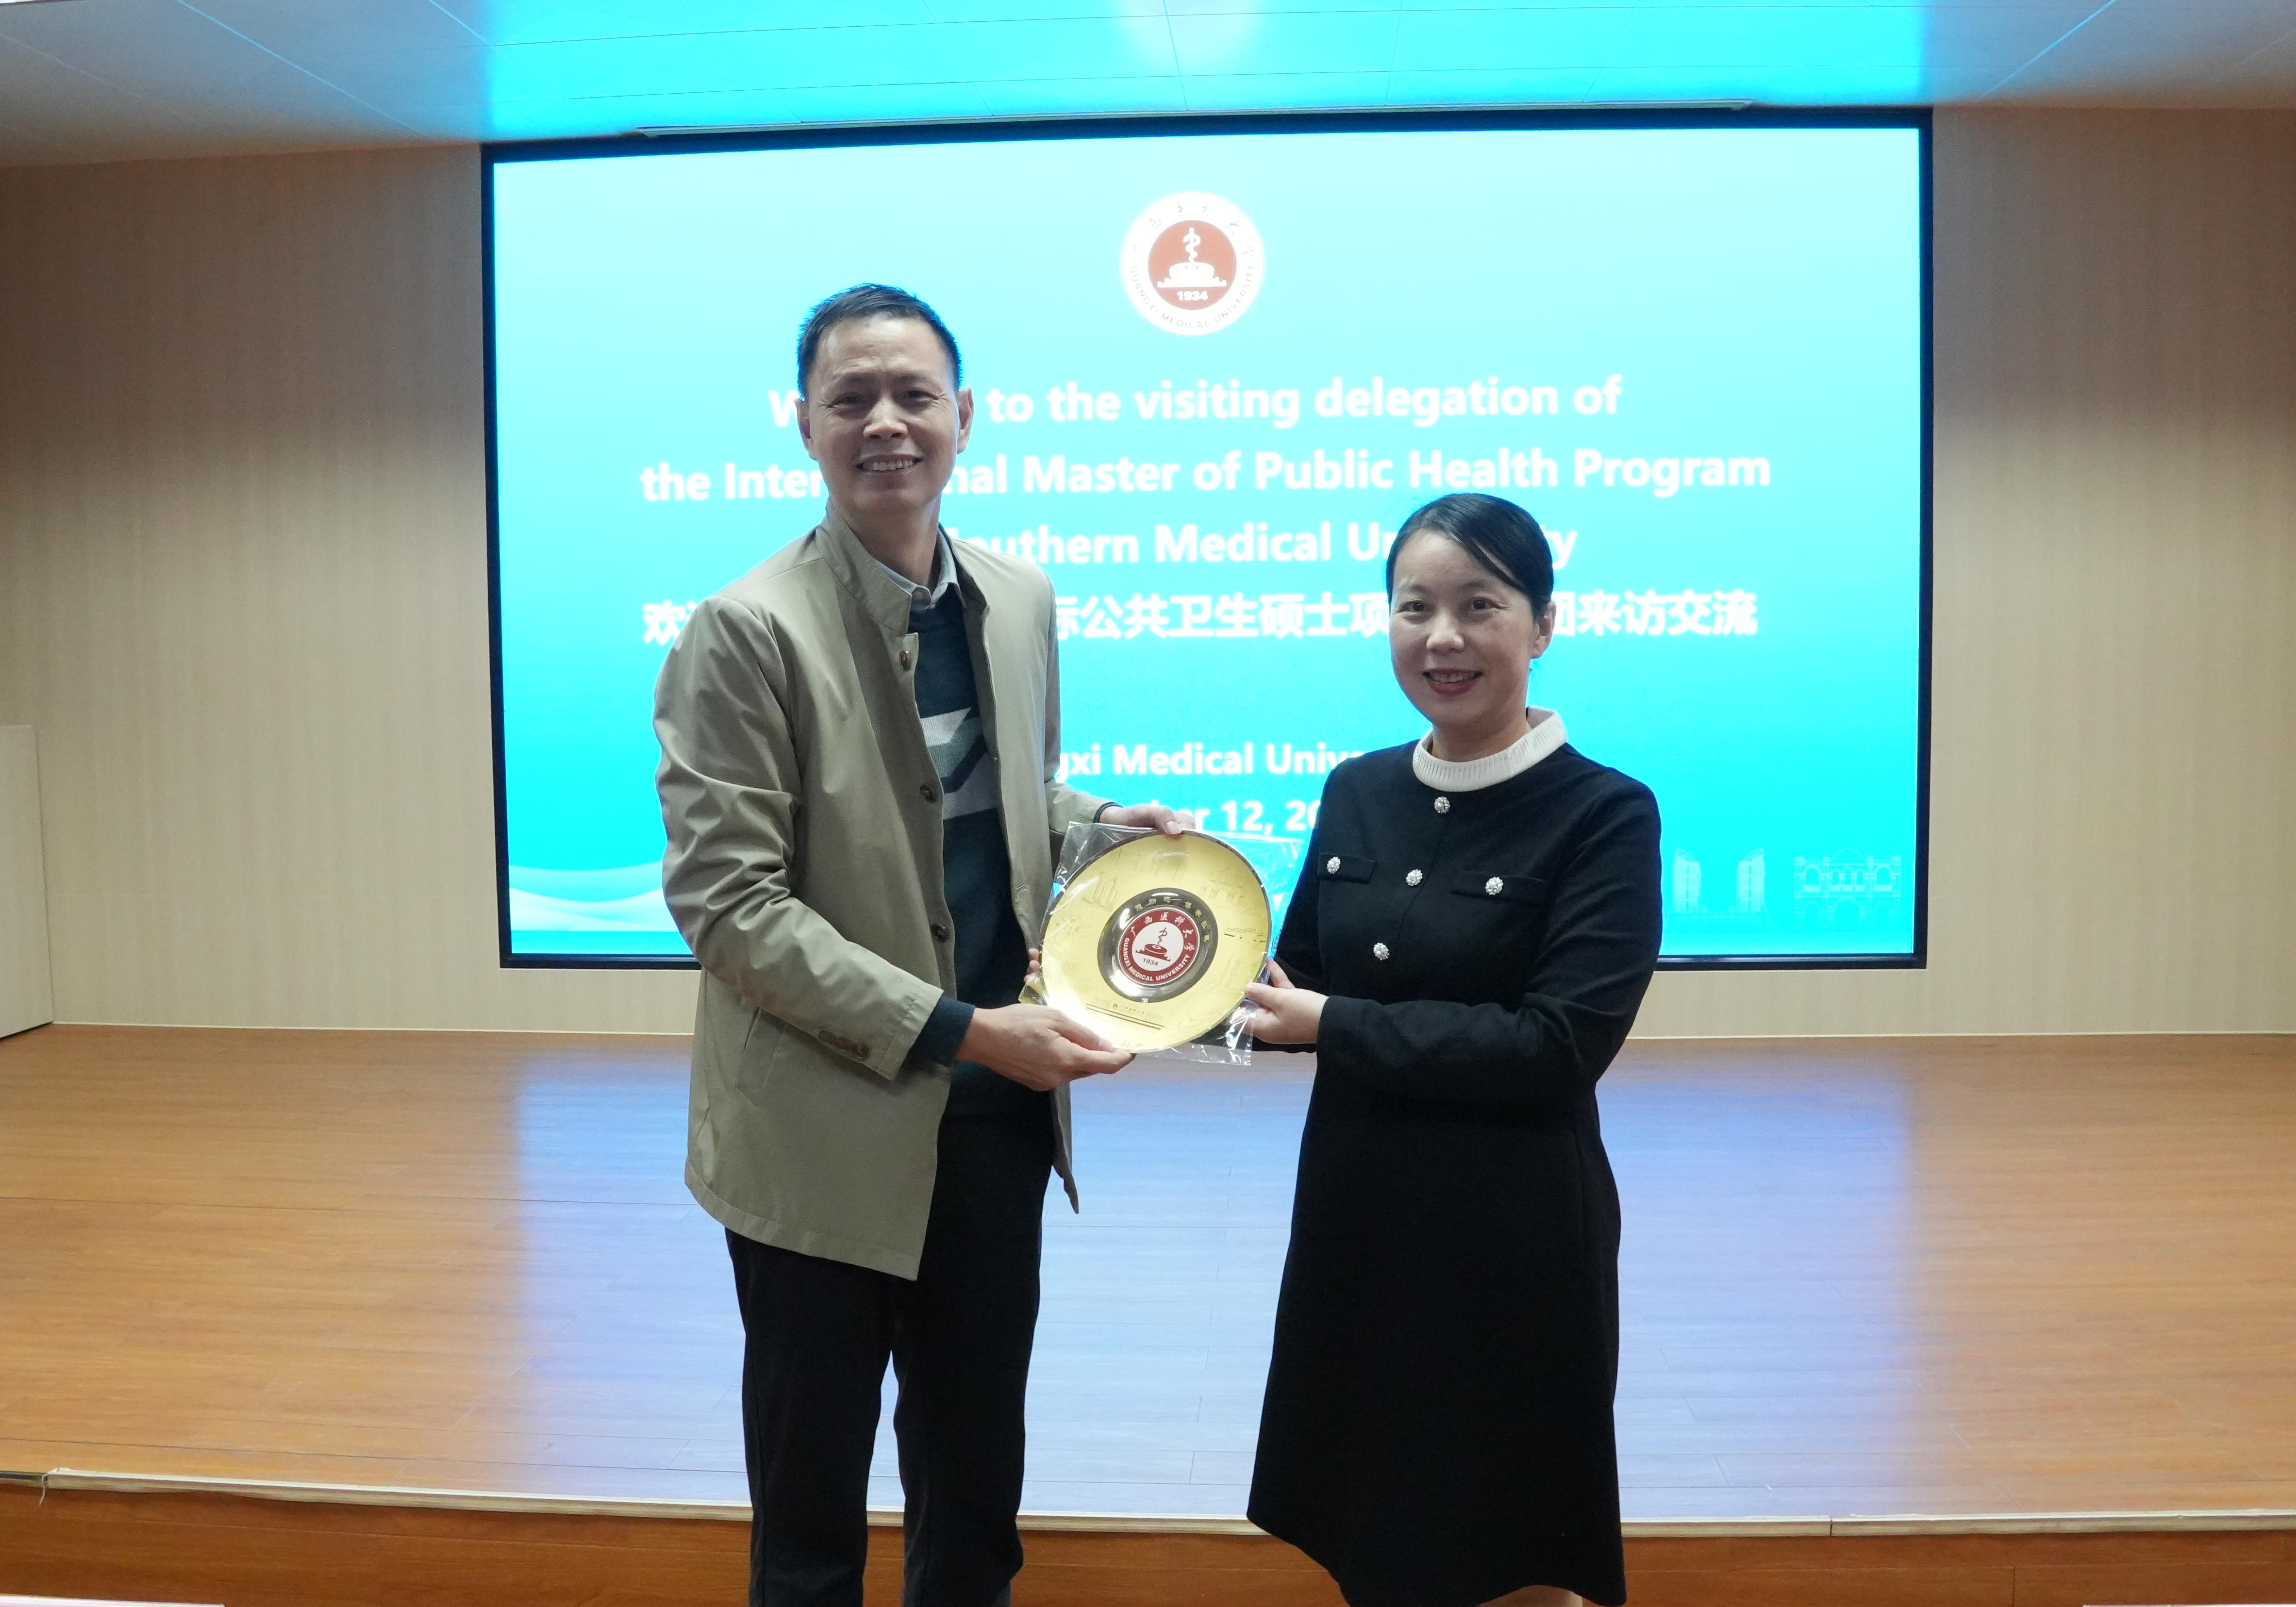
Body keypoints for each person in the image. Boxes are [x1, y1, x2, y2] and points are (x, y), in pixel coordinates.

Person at [653, 283, 1179, 1607]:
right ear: (804, 426)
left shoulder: (1018, 597)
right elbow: (729, 906)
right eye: (851, 400)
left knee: (973, 1495)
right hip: (818, 1132)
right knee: (811, 1519)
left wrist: (1097, 829)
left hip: (994, 1122)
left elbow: (997, 800)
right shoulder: (745, 630)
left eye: (913, 395)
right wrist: (963, 1031)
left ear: (965, 416)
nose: (885, 423)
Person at [1242, 492, 1663, 1607]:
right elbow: (1293, 982)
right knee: (1373, 1532)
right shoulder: (1358, 788)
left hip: (1512, 1241)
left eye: (1479, 606)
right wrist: (1138, 983)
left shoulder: (1605, 814)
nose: (1442, 638)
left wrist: (1330, 1024)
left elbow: (1555, 1046)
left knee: (1516, 1548)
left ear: (1542, 625)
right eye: (1414, 607)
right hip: (1360, 1222)